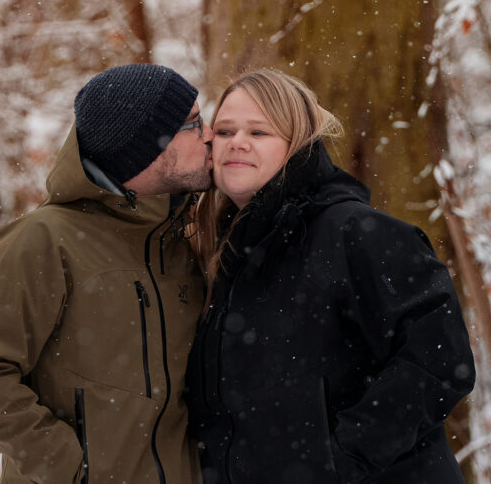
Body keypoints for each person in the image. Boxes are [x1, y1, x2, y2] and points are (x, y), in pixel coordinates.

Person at [185, 69, 475, 484]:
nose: (238, 142)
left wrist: (341, 462)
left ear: (298, 145)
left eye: (260, 132)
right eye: (226, 130)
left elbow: (441, 359)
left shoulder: (357, 234)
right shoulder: (223, 254)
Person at [0, 63, 214, 484]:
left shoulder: (187, 240)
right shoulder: (42, 242)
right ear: (148, 145)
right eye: (193, 122)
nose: (210, 134)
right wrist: (73, 470)